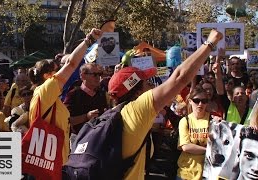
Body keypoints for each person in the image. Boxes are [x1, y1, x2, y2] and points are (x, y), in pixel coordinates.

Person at [103, 29, 223, 179]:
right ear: (137, 92)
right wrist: (210, 43)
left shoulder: (112, 114)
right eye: (147, 83)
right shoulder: (136, 110)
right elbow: (179, 77)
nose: (152, 86)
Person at [28, 28, 104, 173]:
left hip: (53, 159)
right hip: (50, 162)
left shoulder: (46, 96)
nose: (60, 73)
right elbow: (71, 64)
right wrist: (88, 40)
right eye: (56, 71)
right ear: (47, 76)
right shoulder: (45, 91)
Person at [64, 63, 108, 138]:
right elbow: (66, 120)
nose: (98, 77)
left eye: (99, 74)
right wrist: (86, 117)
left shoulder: (101, 93)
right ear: (83, 76)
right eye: (94, 74)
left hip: (99, 137)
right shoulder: (73, 95)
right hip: (79, 138)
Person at [176, 86, 210, 180]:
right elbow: (186, 147)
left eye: (204, 101)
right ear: (190, 101)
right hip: (186, 173)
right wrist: (208, 150)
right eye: (196, 100)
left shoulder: (212, 121)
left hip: (207, 174)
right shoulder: (185, 120)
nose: (200, 104)